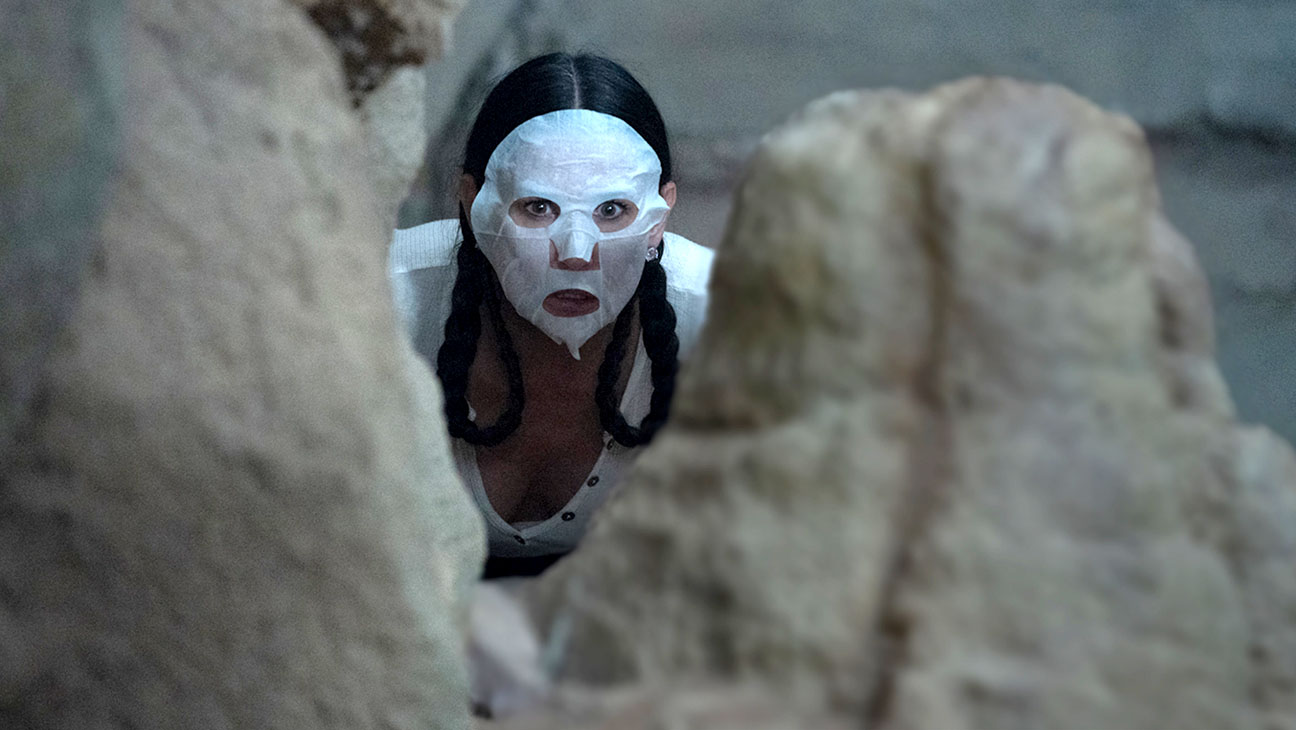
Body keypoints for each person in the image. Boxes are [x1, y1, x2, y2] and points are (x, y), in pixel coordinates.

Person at [388, 53, 714, 579]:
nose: (577, 253)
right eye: (538, 208)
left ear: (660, 216)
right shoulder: (382, 300)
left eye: (612, 210)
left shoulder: (723, 319)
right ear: (472, 202)